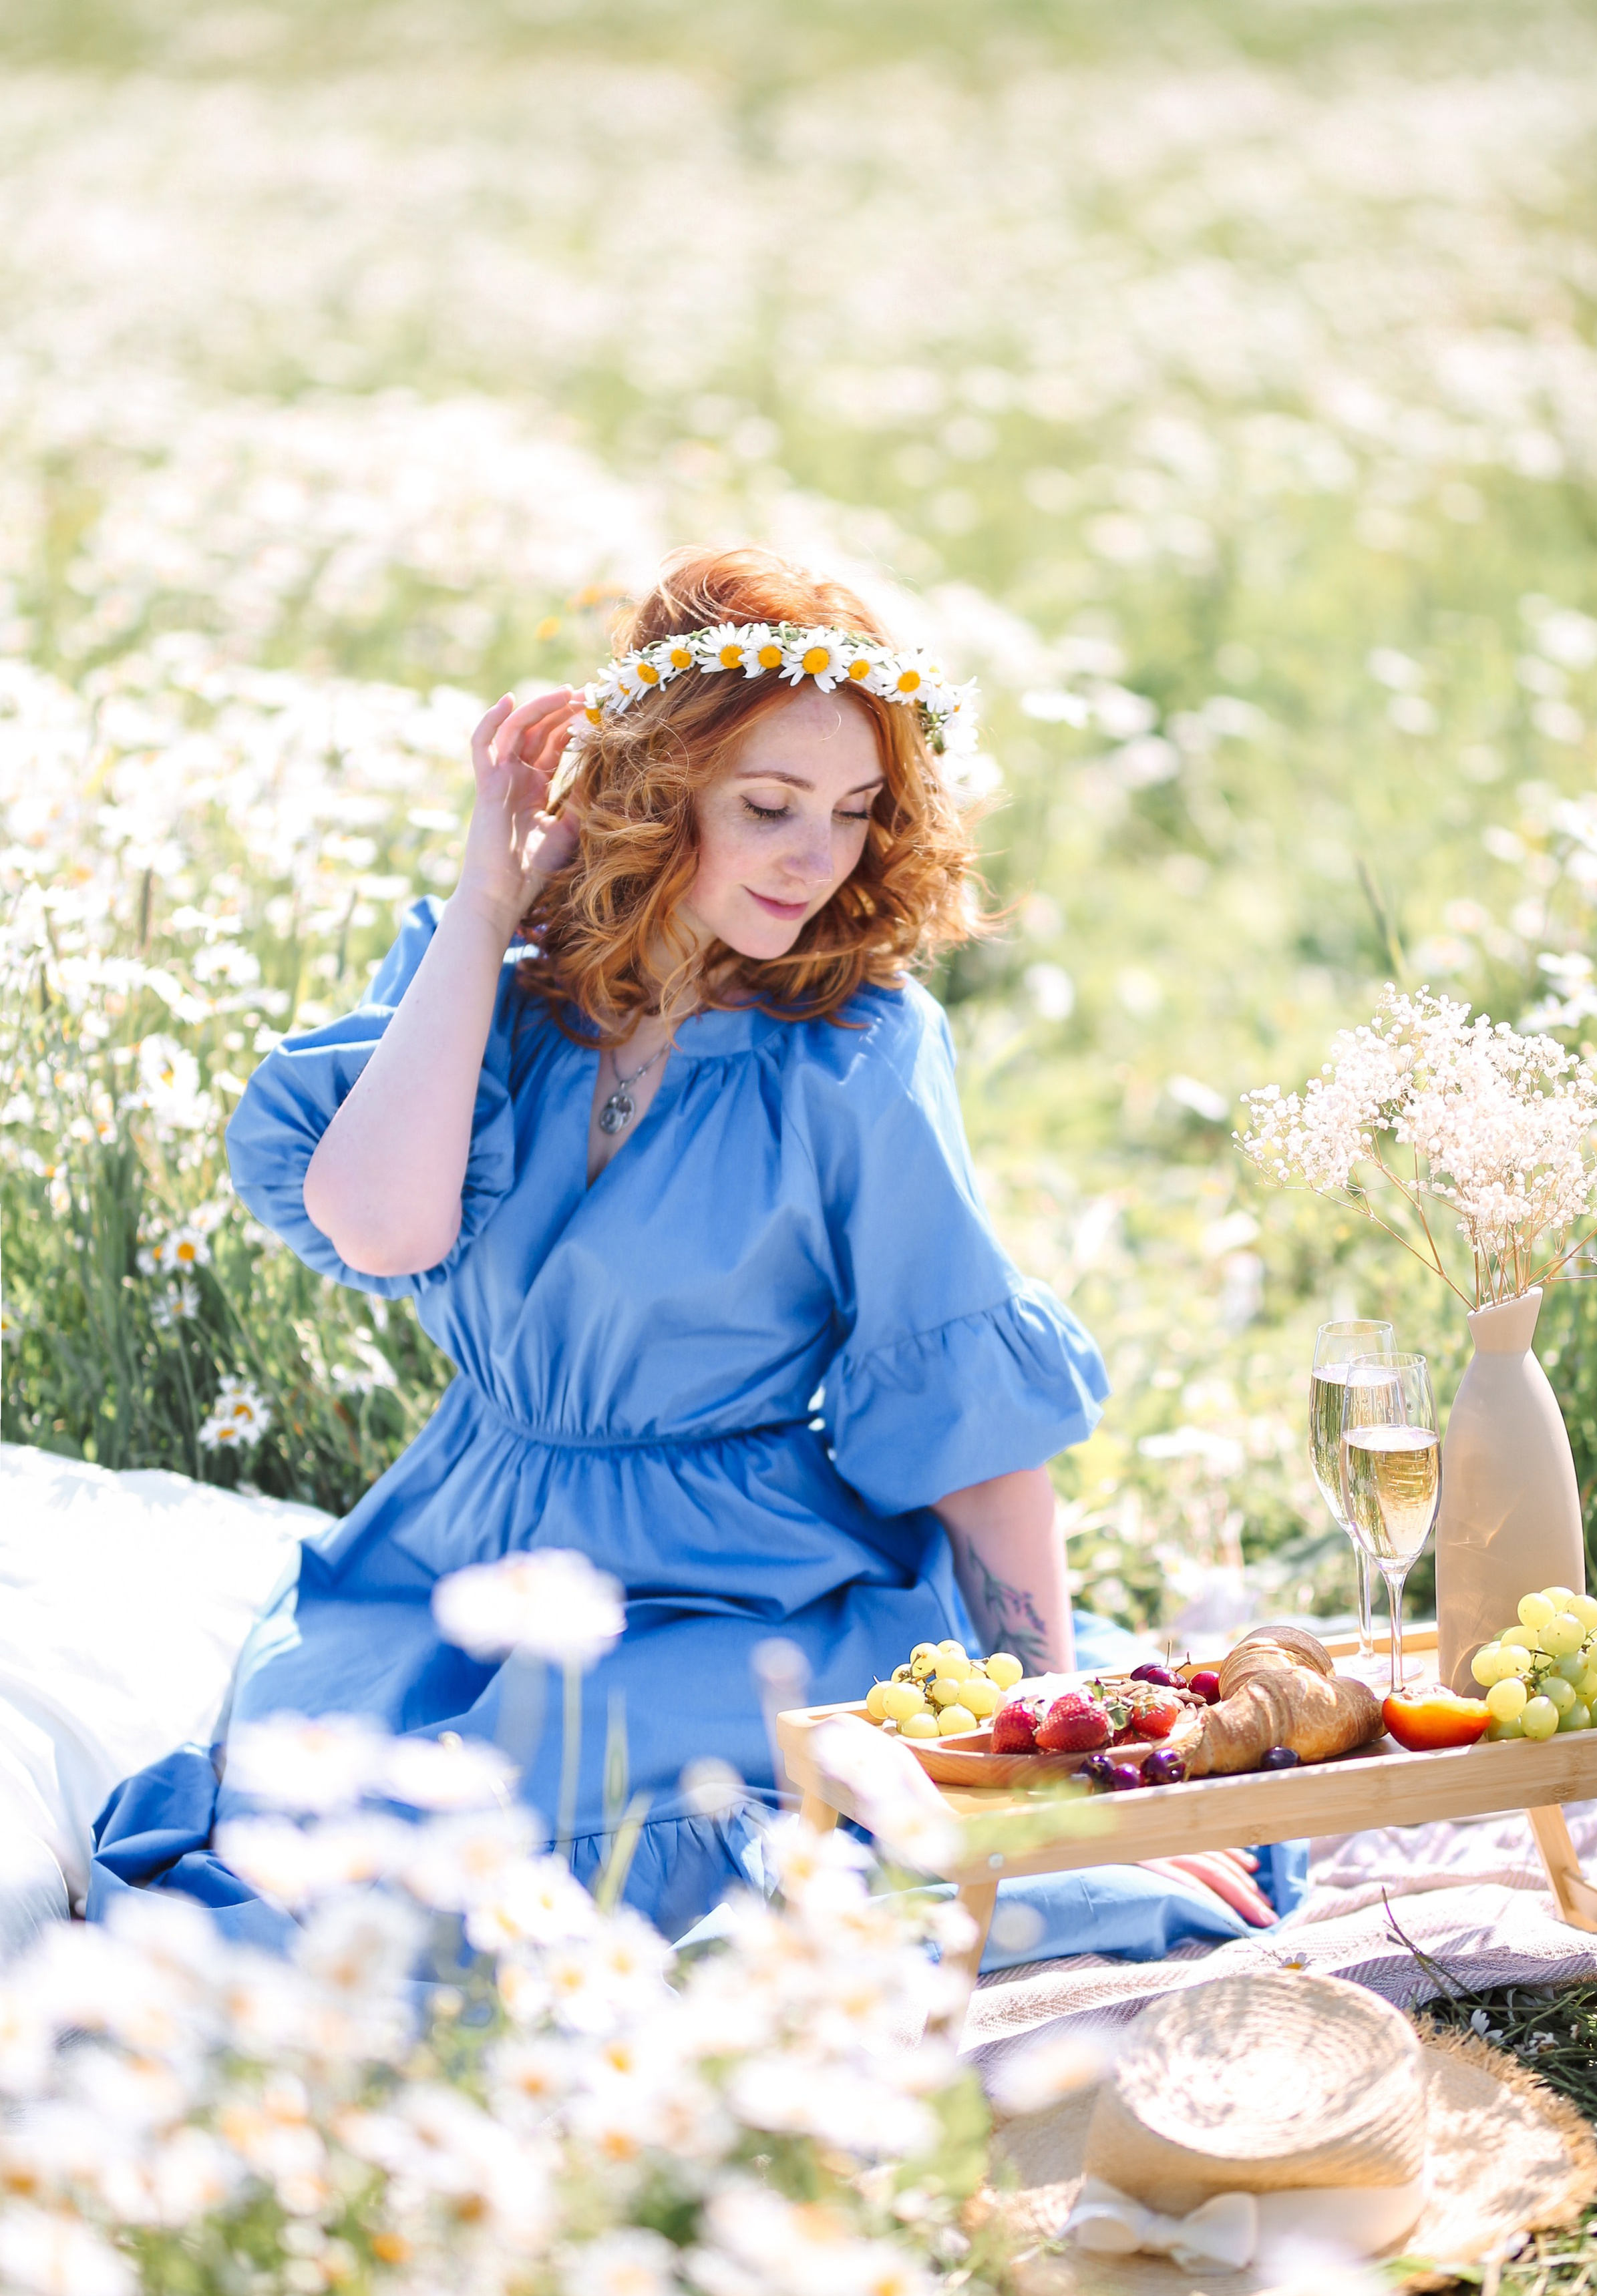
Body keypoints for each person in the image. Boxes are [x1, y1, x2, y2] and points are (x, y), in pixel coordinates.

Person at [89, 548, 1302, 1956]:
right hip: (452, 1542)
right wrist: (486, 902)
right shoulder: (490, 990)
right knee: (312, 1819)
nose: (815, 858)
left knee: (507, 1840)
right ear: (658, 801)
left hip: (733, 1578)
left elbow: (964, 1414)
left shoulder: (856, 1052)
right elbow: (382, 1227)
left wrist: (1057, 1748)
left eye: (852, 813)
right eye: (768, 806)